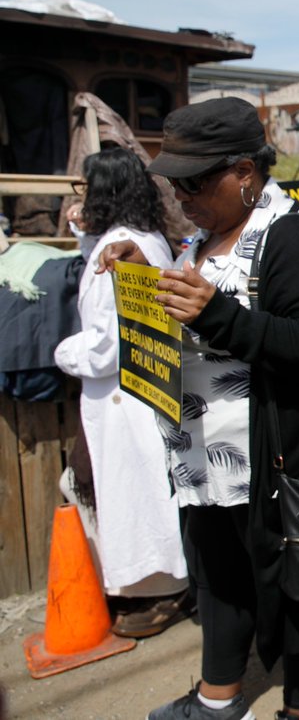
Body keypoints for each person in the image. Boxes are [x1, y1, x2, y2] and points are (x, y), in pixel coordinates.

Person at [100, 97, 299, 720]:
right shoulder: (204, 236)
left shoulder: (295, 238)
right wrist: (148, 276)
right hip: (207, 463)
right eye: (173, 181)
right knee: (219, 582)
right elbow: (197, 308)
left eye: (196, 180)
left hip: (277, 466)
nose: (182, 194)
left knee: (298, 596)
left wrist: (220, 316)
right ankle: (217, 700)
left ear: (244, 171)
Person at [53, 147, 189, 638]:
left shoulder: (127, 248)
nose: (78, 199)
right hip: (125, 400)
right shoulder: (136, 239)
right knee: (133, 492)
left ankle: (159, 592)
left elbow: (110, 343)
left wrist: (63, 353)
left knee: (138, 496)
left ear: (106, 192)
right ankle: (153, 585)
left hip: (124, 398)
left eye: (85, 188)